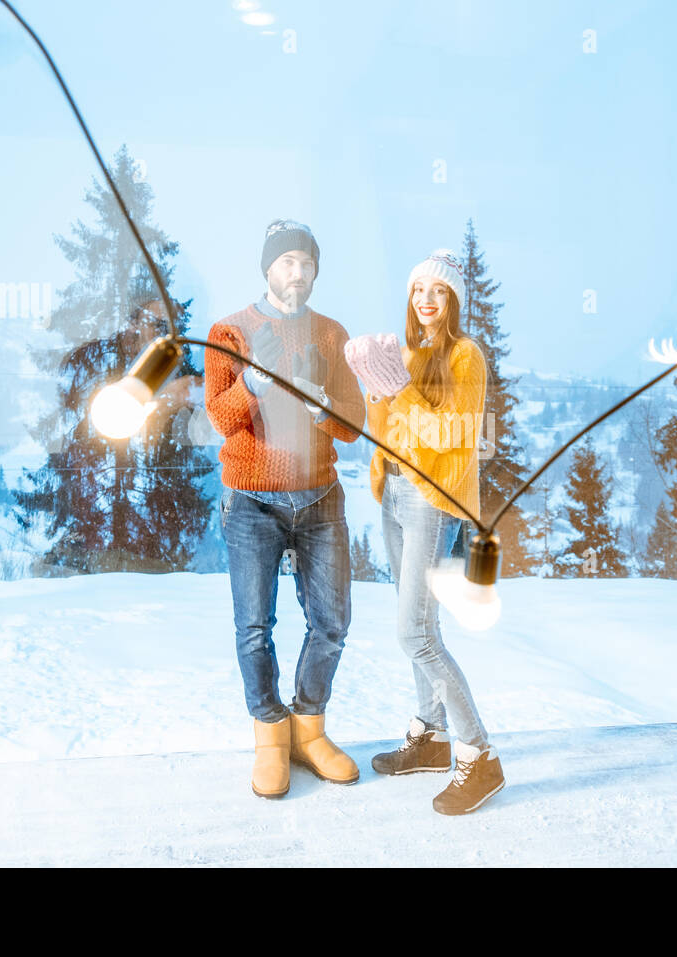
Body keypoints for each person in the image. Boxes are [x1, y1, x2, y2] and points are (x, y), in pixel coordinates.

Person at [204, 219, 366, 799]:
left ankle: (309, 727)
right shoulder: (230, 331)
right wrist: (250, 381)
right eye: (288, 261)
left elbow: (354, 424)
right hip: (251, 500)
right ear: (268, 268)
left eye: (308, 263)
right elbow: (219, 420)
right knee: (254, 627)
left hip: (320, 497)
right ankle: (270, 737)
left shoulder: (331, 333)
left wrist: (325, 406)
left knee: (332, 623)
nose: (298, 272)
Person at [343, 249, 505, 815]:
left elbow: (453, 434)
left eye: (438, 291)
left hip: (434, 502)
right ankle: (431, 737)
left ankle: (478, 755)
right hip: (397, 495)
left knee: (416, 634)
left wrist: (401, 389)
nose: (426, 300)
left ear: (454, 300)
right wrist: (375, 383)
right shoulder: (411, 352)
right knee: (415, 620)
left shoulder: (466, 356)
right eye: (418, 291)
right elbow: (387, 431)